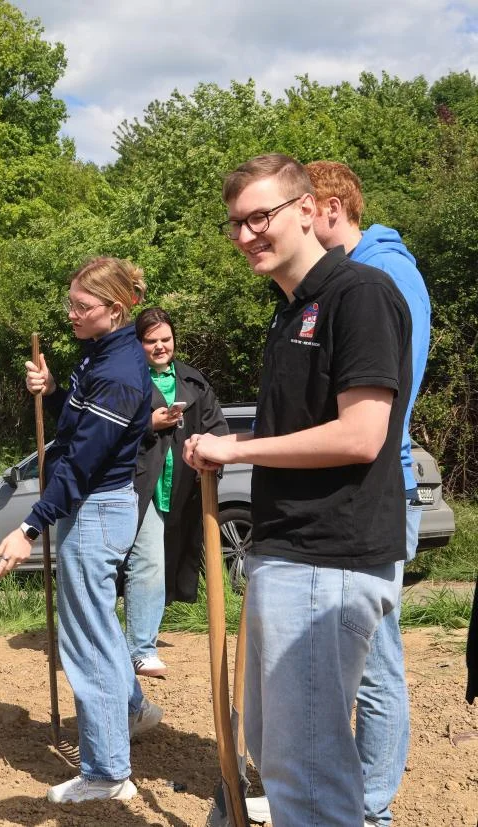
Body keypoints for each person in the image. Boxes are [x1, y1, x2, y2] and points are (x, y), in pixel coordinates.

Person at [186, 153, 411, 826]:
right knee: (278, 755)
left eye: (262, 216)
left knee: (306, 774)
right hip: (287, 553)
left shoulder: (358, 294)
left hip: (330, 559)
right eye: (236, 223)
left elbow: (362, 434)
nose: (247, 233)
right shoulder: (288, 311)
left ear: (310, 210)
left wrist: (238, 446)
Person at [0, 257, 161, 805]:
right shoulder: (100, 355)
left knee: (85, 642)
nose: (71, 314)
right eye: (70, 303)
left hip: (94, 509)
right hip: (95, 507)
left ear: (114, 310)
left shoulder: (119, 372)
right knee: (98, 629)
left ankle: (107, 771)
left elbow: (81, 462)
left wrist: (30, 528)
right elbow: (79, 422)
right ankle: (133, 710)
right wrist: (54, 390)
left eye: (82, 307)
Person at [306, 160, 432, 827]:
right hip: (349, 494)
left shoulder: (384, 276)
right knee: (345, 657)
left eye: (302, 211)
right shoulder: (348, 277)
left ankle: (370, 808)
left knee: (374, 660)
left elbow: (384, 396)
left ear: (330, 207)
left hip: (377, 491)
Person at [124, 308, 228, 677]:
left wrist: (211, 452)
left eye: (165, 339)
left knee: (165, 560)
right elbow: (108, 429)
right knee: (147, 561)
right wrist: (147, 424)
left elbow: (216, 426)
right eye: (151, 341)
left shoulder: (193, 381)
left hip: (182, 486)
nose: (159, 346)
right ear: (138, 344)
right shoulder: (127, 380)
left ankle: (133, 641)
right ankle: (140, 648)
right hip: (139, 487)